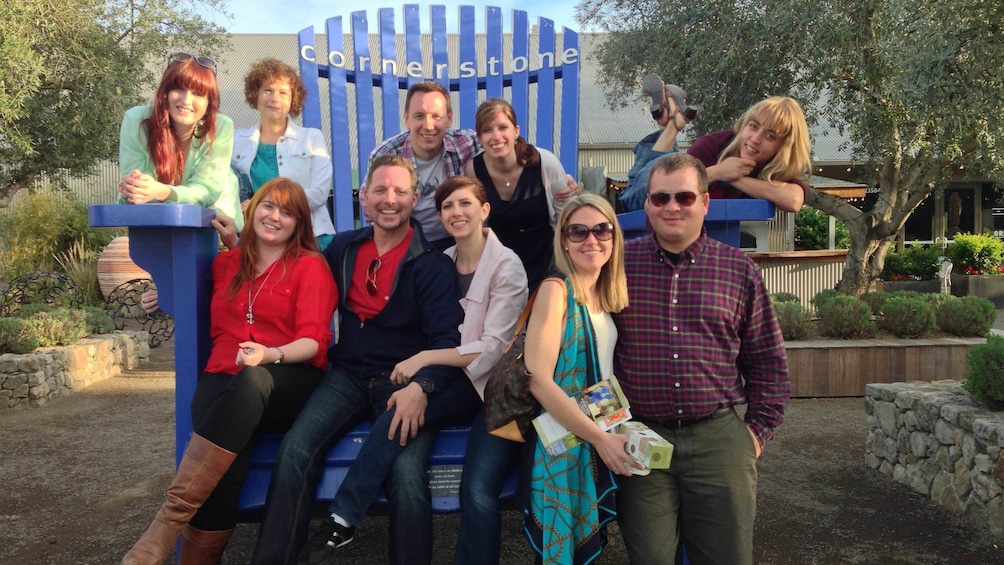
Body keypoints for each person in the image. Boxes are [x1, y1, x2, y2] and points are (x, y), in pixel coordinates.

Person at [250, 155, 472, 565]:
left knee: (406, 477)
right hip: (347, 375)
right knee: (295, 450)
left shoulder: (432, 263)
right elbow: (283, 266)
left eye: (400, 191)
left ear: (414, 197)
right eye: (381, 190)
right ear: (364, 196)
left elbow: (447, 339)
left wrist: (423, 388)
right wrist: (233, 241)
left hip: (403, 382)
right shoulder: (342, 248)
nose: (390, 200)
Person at [300, 176, 530, 565]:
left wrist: (423, 361)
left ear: (484, 210)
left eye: (465, 204)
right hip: (453, 378)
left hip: (488, 387)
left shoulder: (507, 267)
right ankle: (343, 517)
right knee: (403, 411)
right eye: (447, 207)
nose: (456, 213)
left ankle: (343, 515)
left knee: (473, 486)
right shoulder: (444, 260)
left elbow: (491, 351)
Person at [121, 178, 337, 565]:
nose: (275, 217)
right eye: (268, 206)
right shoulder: (226, 264)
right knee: (222, 473)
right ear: (253, 210)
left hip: (287, 376)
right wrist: (161, 294)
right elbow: (188, 291)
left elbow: (313, 343)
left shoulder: (309, 267)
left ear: (299, 224)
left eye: (287, 212)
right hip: (223, 375)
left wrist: (269, 353)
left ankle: (164, 526)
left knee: (252, 381)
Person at [612, 153, 790, 565]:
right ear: (647, 204)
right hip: (643, 437)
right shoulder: (618, 266)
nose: (672, 207)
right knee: (651, 557)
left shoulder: (739, 269)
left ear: (705, 203)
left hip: (719, 438)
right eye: (660, 198)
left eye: (684, 197)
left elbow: (768, 362)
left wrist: (754, 437)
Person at [522, 193, 639, 564]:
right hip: (563, 444)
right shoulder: (556, 291)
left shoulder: (603, 295)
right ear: (564, 242)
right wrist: (600, 439)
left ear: (614, 238)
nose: (592, 240)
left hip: (593, 434)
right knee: (562, 550)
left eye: (602, 230)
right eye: (579, 232)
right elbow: (538, 380)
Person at [619, 81, 810, 214]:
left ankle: (670, 125)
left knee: (652, 170)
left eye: (770, 136)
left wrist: (733, 177)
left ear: (783, 146)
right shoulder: (712, 145)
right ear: (744, 124)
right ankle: (671, 128)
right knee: (638, 191)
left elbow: (793, 201)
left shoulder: (778, 168)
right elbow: (666, 189)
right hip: (643, 196)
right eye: (753, 126)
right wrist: (717, 171)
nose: (756, 139)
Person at [119, 52, 242, 230]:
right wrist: (134, 189)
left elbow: (206, 192)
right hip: (155, 225)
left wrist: (161, 192)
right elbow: (137, 188)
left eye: (199, 93)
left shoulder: (222, 126)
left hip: (216, 226)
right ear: (166, 92)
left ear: (210, 101)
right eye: (179, 89)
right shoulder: (136, 120)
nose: (186, 100)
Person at [362, 81, 480, 250]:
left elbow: (504, 144)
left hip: (456, 239)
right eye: (419, 116)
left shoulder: (467, 143)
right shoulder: (386, 155)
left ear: (449, 119)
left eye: (436, 116)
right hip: (406, 241)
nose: (428, 125)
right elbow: (369, 205)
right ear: (406, 119)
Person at [466, 98, 570, 290]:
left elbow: (565, 219)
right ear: (479, 138)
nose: (496, 137)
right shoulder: (474, 170)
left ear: (516, 131)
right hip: (500, 265)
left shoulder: (544, 163)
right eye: (487, 130)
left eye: (503, 127)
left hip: (546, 259)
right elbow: (478, 224)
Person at [231, 58, 336, 249]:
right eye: (267, 90)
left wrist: (257, 205)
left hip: (312, 237)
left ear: (293, 100)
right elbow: (227, 189)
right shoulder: (235, 140)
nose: (275, 98)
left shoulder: (311, 138)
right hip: (261, 241)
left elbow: (319, 194)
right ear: (255, 94)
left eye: (283, 93)